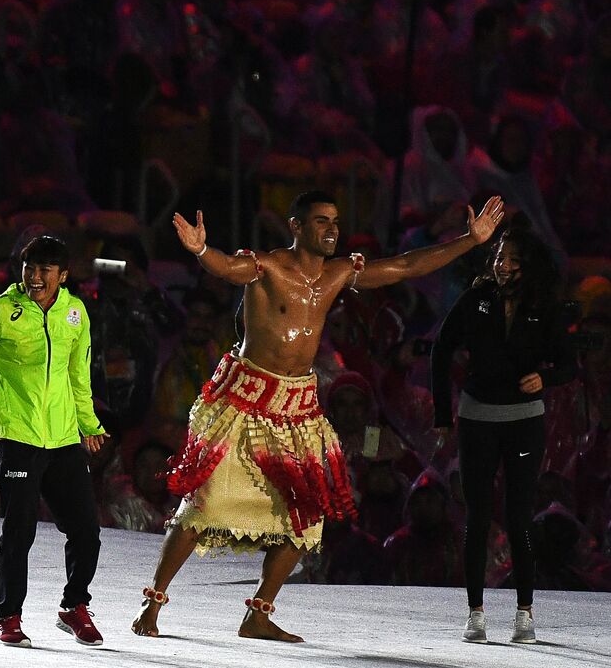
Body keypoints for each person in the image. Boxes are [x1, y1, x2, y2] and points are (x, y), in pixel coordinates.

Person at [132, 190, 504, 642]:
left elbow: (405, 266)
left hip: (296, 403)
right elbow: (228, 268)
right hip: (245, 396)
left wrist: (470, 239)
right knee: (202, 504)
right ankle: (150, 605)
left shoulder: (340, 272)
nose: (332, 230)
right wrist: (199, 251)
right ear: (297, 227)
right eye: (322, 221)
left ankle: (258, 614)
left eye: (335, 222)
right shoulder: (266, 267)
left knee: (307, 517)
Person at [0, 233, 109, 648]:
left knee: (86, 530)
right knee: (20, 530)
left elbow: (78, 376)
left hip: (64, 437)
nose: (34, 277)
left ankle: (73, 606)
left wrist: (89, 425)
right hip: (16, 435)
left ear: (62, 275)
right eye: (28, 269)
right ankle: (7, 615)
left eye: (44, 271)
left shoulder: (75, 313)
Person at [431, 219, 575, 644]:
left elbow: (569, 364)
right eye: (498, 258)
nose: (503, 265)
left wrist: (543, 378)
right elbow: (442, 347)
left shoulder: (544, 307)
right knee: (476, 517)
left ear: (528, 266)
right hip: (477, 419)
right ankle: (475, 612)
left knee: (518, 518)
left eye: (513, 259)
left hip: (523, 422)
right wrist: (443, 413)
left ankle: (524, 613)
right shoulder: (478, 297)